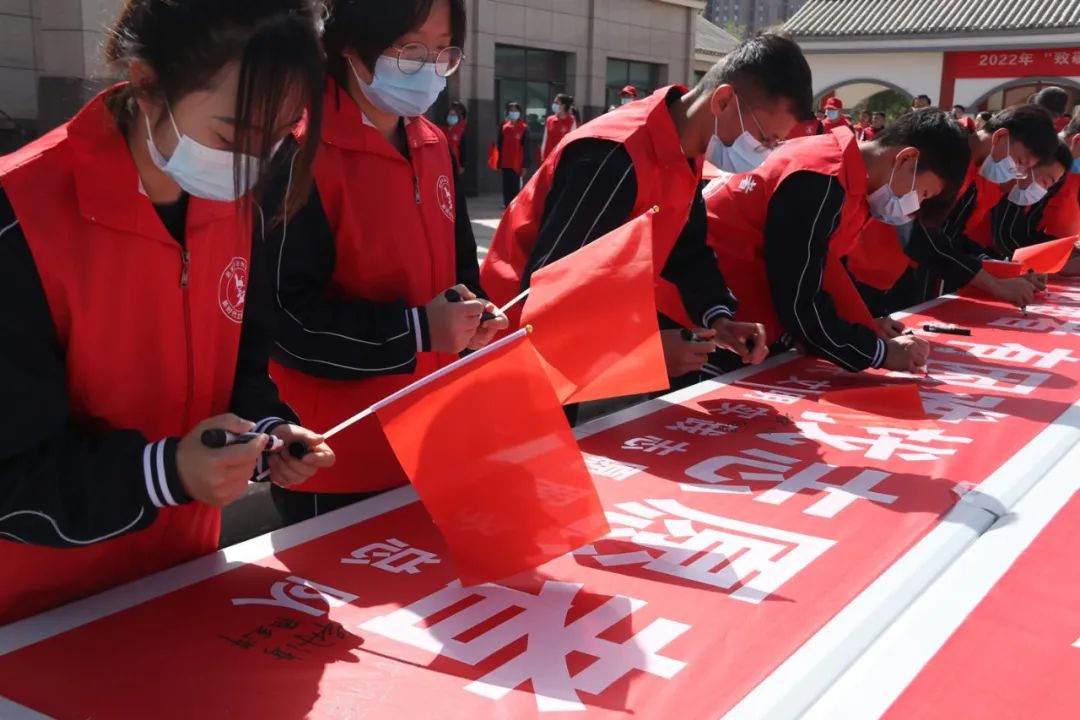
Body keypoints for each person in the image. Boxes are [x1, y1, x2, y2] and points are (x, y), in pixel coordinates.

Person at [0, 0, 334, 625]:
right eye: (233, 136)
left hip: (183, 582)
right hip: (35, 617)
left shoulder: (234, 204)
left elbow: (242, 364)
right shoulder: (20, 219)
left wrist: (267, 433)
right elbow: (11, 472)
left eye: (279, 135)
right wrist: (165, 473)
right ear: (147, 84)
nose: (252, 163)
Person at [265, 0, 507, 524]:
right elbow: (285, 320)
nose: (430, 68)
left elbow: (460, 274)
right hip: (337, 458)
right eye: (411, 49)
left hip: (432, 438)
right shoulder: (301, 151)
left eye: (444, 52)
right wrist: (418, 331)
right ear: (353, 47)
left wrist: (476, 317)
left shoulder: (433, 144)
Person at [482, 34, 813, 390]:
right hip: (513, 347)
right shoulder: (613, 157)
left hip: (575, 346)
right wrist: (645, 350)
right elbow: (548, 297)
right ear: (723, 101)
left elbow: (687, 249)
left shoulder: (685, 151)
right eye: (764, 139)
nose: (764, 153)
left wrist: (719, 320)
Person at [705, 109, 973, 375]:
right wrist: (878, 353)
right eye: (923, 193)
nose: (914, 206)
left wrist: (863, 324)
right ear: (906, 159)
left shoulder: (849, 179)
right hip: (712, 315)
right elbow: (799, 298)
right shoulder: (822, 179)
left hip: (735, 313)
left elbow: (822, 267)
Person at [848, 105, 1062, 315]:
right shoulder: (945, 160)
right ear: (1001, 138)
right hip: (865, 273)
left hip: (898, 275)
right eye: (1019, 162)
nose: (1016, 173)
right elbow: (920, 235)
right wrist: (994, 284)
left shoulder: (976, 174)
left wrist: (1002, 273)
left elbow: (952, 236)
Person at [992, 138, 1077, 254]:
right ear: (1026, 164)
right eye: (1045, 182)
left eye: (1049, 187)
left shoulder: (1021, 191)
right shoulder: (994, 187)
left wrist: (1065, 249)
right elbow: (1005, 237)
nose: (1044, 192)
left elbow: (1026, 232)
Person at [498, 100, 529, 206]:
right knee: (506, 190)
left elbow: (526, 148)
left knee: (516, 191)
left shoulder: (524, 128)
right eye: (511, 110)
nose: (513, 112)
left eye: (515, 110)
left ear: (519, 112)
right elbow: (500, 145)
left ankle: (515, 209)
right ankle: (507, 208)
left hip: (517, 166)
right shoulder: (504, 127)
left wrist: (525, 166)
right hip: (505, 164)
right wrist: (498, 162)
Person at [541, 93, 577, 163]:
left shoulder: (572, 121)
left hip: (563, 159)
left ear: (563, 106)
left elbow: (573, 143)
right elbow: (545, 140)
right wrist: (542, 156)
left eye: (557, 103)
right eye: (554, 102)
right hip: (549, 158)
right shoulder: (550, 120)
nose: (554, 105)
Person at [444, 99, 468, 176]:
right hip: (444, 163)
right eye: (450, 114)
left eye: (454, 115)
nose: (451, 117)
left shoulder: (461, 131)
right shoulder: (443, 130)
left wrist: (462, 165)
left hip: (456, 165)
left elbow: (463, 149)